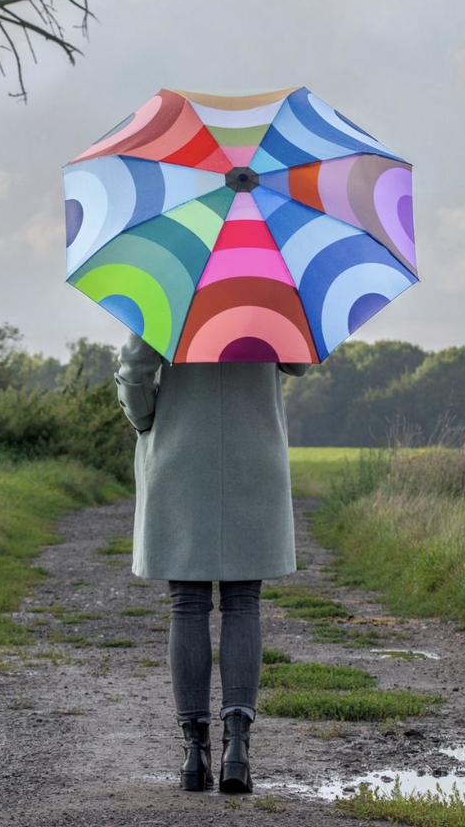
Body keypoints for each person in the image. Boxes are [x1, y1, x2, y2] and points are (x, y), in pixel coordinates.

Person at [114, 332, 309, 793]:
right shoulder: (265, 290)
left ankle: (194, 753)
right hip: (253, 456)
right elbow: (298, 363)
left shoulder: (170, 286)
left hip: (182, 457)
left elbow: (136, 370)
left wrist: (146, 422)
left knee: (187, 603)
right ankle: (237, 748)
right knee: (243, 602)